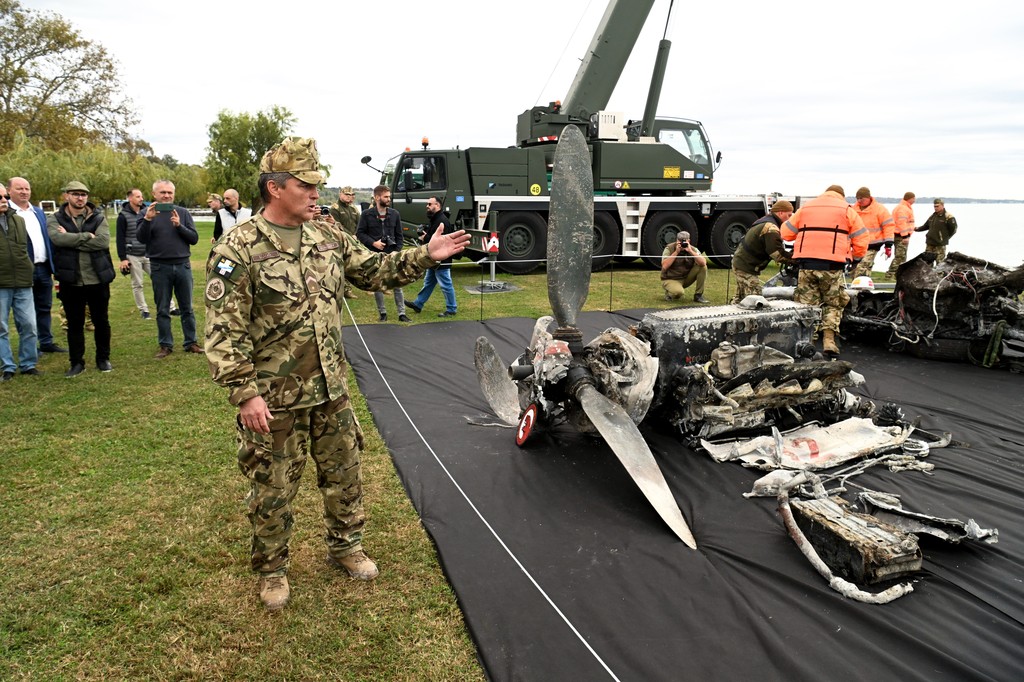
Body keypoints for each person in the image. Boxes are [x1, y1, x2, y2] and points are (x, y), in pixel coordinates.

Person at [204, 136, 470, 611]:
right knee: (273, 486)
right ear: (274, 187)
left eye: (317, 185)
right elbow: (224, 332)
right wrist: (245, 394)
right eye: (305, 185)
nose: (315, 193)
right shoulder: (237, 249)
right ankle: (272, 569)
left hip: (331, 389)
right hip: (275, 398)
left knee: (345, 476)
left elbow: (375, 272)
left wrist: (428, 255)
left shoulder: (327, 237)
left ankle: (346, 547)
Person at [780, 185, 868, 357]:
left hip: (806, 265)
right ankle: (829, 341)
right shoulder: (846, 210)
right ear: (841, 196)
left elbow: (786, 232)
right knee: (833, 302)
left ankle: (807, 343)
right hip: (832, 266)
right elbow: (862, 238)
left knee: (807, 305)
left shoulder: (807, 207)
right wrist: (856, 258)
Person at [46, 181, 115, 377]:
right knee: (74, 323)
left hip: (97, 279)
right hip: (71, 279)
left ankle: (103, 359)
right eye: (75, 194)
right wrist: (87, 236)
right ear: (66, 196)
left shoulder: (98, 217)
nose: (80, 198)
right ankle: (77, 362)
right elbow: (57, 240)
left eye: (83, 194)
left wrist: (72, 238)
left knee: (101, 321)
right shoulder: (55, 219)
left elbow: (102, 242)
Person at [137, 180, 203, 358]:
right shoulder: (146, 213)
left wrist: (179, 226)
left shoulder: (182, 212)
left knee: (187, 307)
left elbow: (194, 238)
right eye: (162, 193)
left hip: (183, 265)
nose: (166, 196)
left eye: (169, 193)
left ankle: (191, 342)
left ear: (174, 194)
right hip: (159, 266)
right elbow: (141, 238)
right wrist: (148, 220)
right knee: (162, 308)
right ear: (154, 195)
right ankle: (165, 344)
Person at [7, 177, 64, 353]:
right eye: (19, 189)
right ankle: (30, 348)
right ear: (9, 191)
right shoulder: (7, 213)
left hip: (44, 268)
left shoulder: (37, 212)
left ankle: (46, 342)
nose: (24, 192)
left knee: (44, 307)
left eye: (27, 188)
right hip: (23, 270)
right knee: (25, 312)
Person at [0, 182, 40, 380]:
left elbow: (23, 249)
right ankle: (7, 365)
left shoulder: (18, 221)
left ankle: (28, 363)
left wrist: (28, 269)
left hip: (23, 281)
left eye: (4, 197)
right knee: (1, 328)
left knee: (29, 325)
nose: (4, 201)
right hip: (1, 284)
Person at [357, 185, 410, 321]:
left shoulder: (395, 214)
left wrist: (396, 252)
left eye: (389, 196)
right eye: (386, 197)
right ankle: (383, 313)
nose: (389, 199)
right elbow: (360, 233)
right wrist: (374, 243)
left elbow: (399, 236)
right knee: (378, 285)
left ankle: (402, 313)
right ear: (376, 197)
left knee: (397, 284)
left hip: (392, 255)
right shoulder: (366, 215)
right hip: (375, 255)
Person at [730, 200, 794, 303]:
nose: (790, 219)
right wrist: (795, 259)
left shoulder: (765, 222)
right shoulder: (770, 228)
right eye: (789, 215)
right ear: (781, 212)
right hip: (746, 266)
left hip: (741, 263)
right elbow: (776, 254)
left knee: (741, 300)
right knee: (755, 301)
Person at [406, 196, 458, 317]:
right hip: (434, 259)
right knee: (428, 282)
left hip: (441, 259)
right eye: (427, 204)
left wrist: (425, 238)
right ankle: (418, 304)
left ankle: (451, 309)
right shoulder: (436, 219)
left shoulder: (441, 221)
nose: (427, 206)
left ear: (437, 206)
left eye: (430, 204)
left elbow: (440, 242)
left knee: (446, 284)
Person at [116, 189, 156, 319]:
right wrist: (123, 258)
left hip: (149, 253)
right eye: (138, 196)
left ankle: (170, 306)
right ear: (130, 198)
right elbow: (120, 238)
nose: (141, 198)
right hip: (133, 254)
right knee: (138, 284)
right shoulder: (123, 216)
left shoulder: (147, 212)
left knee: (159, 280)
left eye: (142, 196)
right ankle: (144, 310)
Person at [850, 187, 894, 278]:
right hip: (857, 245)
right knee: (855, 269)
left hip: (873, 244)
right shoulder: (853, 209)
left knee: (863, 267)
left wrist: (888, 245)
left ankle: (862, 287)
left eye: (861, 198)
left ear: (869, 197)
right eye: (857, 198)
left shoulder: (880, 209)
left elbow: (888, 226)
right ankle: (862, 287)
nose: (859, 200)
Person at [329, 186, 361, 300]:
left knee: (355, 262)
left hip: (354, 239)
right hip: (340, 239)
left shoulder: (353, 208)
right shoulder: (335, 208)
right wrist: (349, 234)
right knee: (342, 263)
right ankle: (346, 289)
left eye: (352, 195)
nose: (350, 197)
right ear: (340, 194)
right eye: (347, 195)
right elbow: (336, 225)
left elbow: (359, 222)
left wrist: (356, 234)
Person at [660, 230, 709, 303]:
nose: (682, 244)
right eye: (679, 241)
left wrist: (690, 251)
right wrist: (676, 252)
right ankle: (669, 293)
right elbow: (664, 266)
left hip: (685, 278)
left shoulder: (693, 249)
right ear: (676, 240)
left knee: (702, 267)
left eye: (684, 242)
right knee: (678, 293)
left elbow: (703, 263)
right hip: (670, 278)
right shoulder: (669, 248)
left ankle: (698, 295)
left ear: (688, 241)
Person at [885, 191, 916, 279]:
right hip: (900, 236)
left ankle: (897, 274)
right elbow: (901, 223)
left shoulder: (903, 207)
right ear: (910, 198)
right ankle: (891, 274)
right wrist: (905, 236)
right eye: (914, 199)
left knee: (901, 256)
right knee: (900, 256)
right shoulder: (903, 208)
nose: (914, 201)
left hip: (899, 235)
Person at [915, 198, 957, 263]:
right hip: (930, 242)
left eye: (937, 206)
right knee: (927, 262)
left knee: (939, 263)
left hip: (940, 244)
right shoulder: (932, 216)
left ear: (942, 205)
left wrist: (944, 238)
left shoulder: (948, 217)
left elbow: (953, 230)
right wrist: (917, 229)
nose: (935, 208)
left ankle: (939, 274)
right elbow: (926, 226)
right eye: (934, 206)